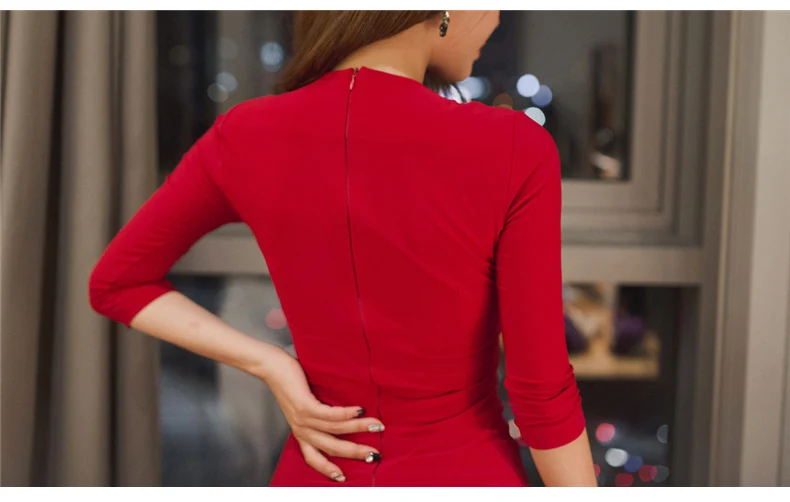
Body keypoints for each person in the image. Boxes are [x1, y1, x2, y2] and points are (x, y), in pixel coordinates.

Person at [89, 10, 597, 487]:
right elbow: (541, 397)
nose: (498, 16)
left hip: (319, 472)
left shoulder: (242, 135)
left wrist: (272, 365)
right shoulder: (514, 146)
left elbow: (117, 282)